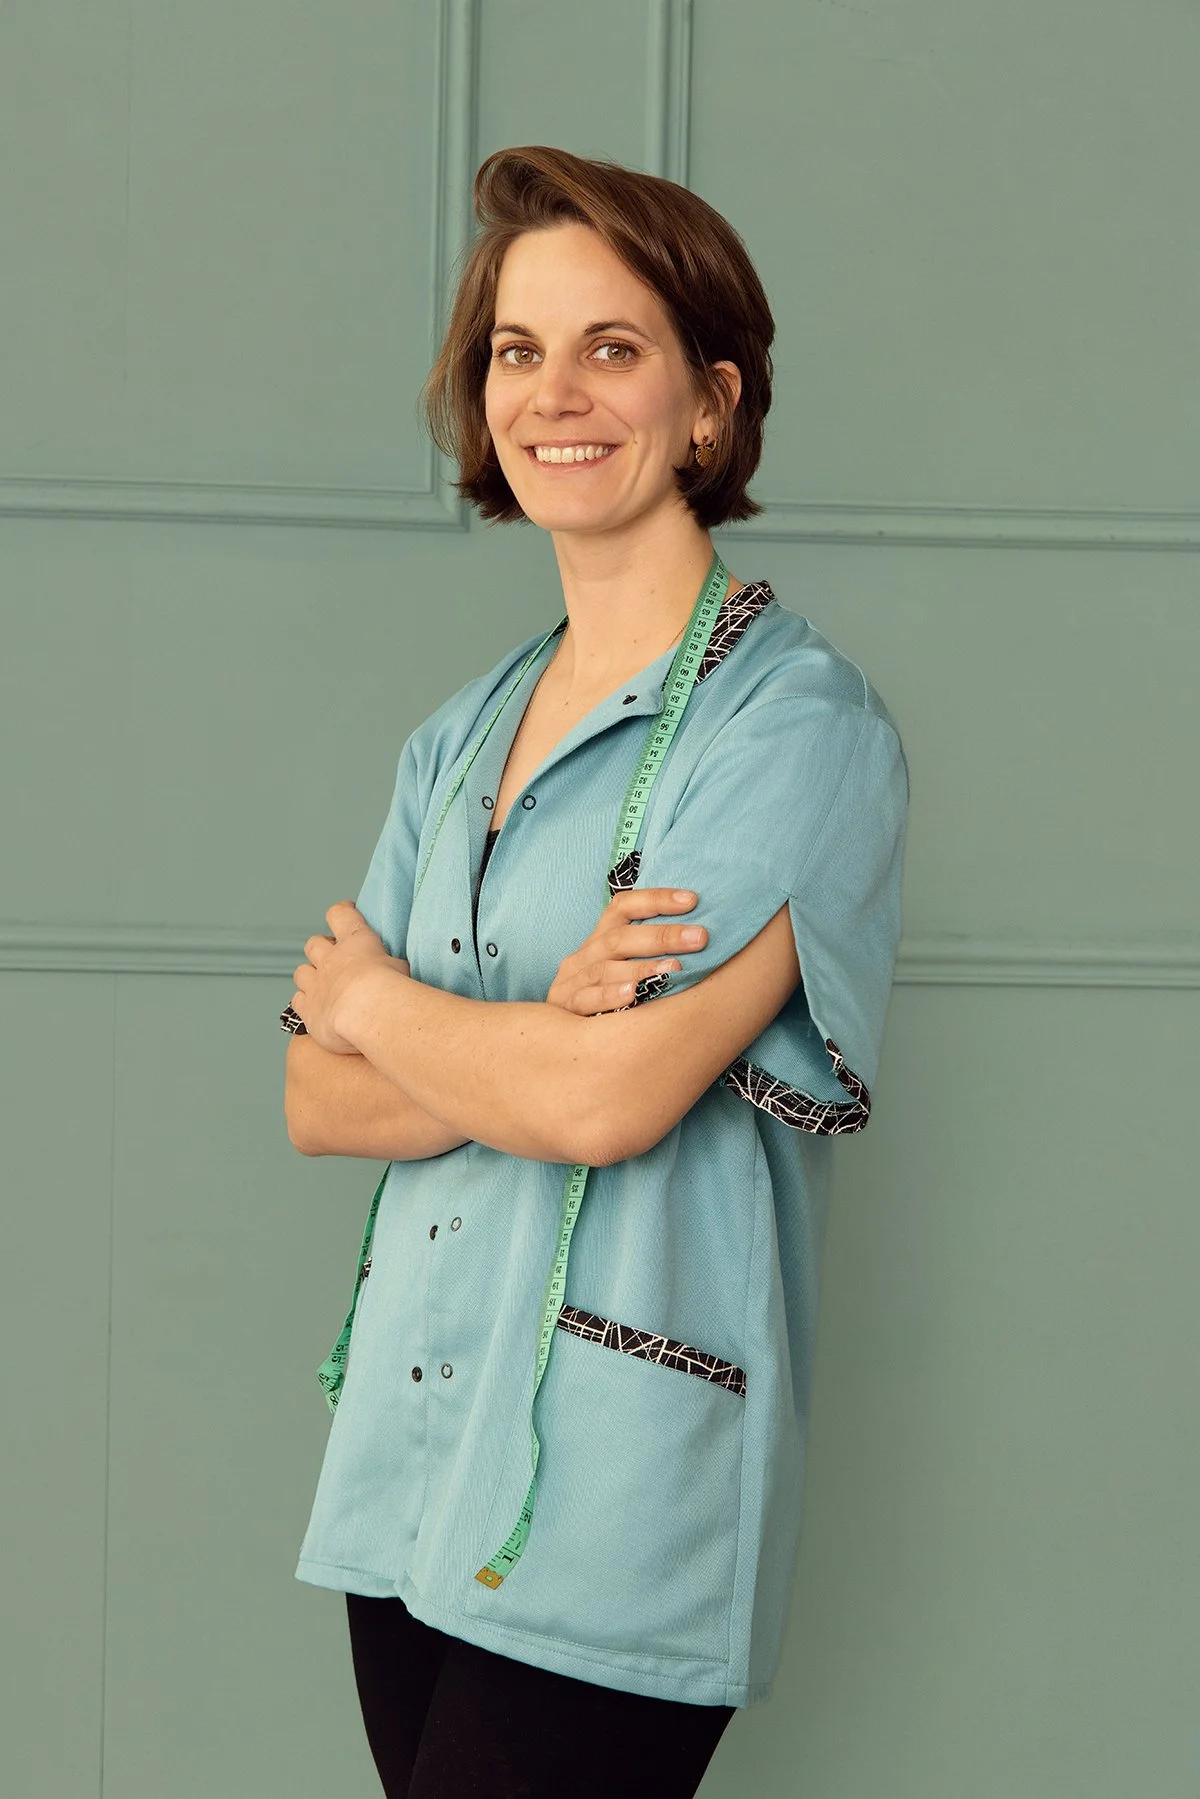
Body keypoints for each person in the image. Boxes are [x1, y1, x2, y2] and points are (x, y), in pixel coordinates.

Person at [281, 144, 908, 1799]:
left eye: (610, 348)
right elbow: (312, 1099)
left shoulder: (797, 729)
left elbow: (607, 1097)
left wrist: (383, 1008)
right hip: (414, 1454)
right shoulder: (461, 733)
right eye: (516, 349)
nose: (553, 393)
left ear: (711, 401)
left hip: (613, 1492)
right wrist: (512, 1035)